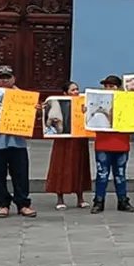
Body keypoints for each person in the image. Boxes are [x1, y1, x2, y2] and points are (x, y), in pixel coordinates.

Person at [0, 65, 37, 218]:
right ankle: (2, 204)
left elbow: (31, 116)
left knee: (21, 174)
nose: (4, 80)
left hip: (17, 142)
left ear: (13, 79)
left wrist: (35, 109)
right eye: (1, 77)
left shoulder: (23, 96)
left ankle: (23, 204)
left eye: (7, 77)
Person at [90, 75, 134, 214]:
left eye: (112, 86)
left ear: (119, 87)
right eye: (106, 86)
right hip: (103, 143)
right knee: (102, 174)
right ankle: (98, 201)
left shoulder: (127, 102)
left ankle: (123, 201)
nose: (108, 89)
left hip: (121, 143)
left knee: (120, 174)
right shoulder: (98, 102)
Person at [45, 81, 92, 210]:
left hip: (79, 139)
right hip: (63, 139)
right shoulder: (58, 103)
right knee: (61, 166)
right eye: (72, 90)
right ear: (65, 93)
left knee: (79, 166)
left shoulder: (83, 102)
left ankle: (80, 198)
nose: (76, 92)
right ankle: (60, 198)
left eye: (77, 89)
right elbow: (48, 120)